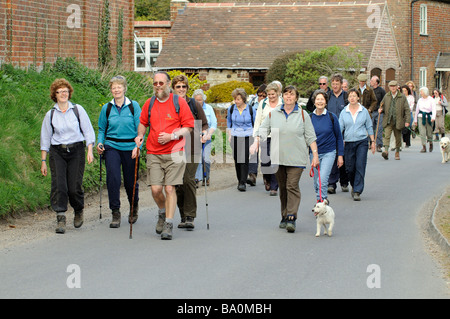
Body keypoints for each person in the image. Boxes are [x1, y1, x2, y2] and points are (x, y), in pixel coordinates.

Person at [135, 71, 194, 240]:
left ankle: (168, 223)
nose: (158, 86)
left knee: (170, 188)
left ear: (168, 84)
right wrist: (140, 135)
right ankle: (162, 211)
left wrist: (172, 136)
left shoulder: (179, 102)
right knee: (155, 189)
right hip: (154, 152)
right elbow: (142, 123)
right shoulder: (149, 103)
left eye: (161, 83)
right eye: (155, 83)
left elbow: (188, 127)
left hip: (175, 152)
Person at [255, 85, 319, 233]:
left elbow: (310, 137)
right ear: (282, 97)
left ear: (296, 98)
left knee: (292, 186)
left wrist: (315, 155)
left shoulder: (303, 115)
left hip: (297, 158)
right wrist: (256, 143)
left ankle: (291, 217)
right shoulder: (274, 114)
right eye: (286, 95)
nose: (288, 97)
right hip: (278, 157)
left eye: (292, 95)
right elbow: (263, 130)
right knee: (283, 188)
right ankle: (284, 215)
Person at [40, 78, 95, 234]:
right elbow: (45, 138)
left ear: (69, 93)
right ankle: (61, 216)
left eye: (65, 91)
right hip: (57, 151)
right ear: (55, 95)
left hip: (76, 150)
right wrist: (43, 161)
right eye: (59, 92)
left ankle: (78, 209)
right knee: (59, 185)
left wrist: (89, 150)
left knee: (74, 186)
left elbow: (88, 131)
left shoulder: (78, 110)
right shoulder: (50, 114)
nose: (63, 94)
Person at [97, 75, 141, 228]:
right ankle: (115, 212)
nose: (116, 90)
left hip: (130, 147)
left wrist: (138, 147)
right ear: (111, 90)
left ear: (124, 88)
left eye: (119, 87)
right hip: (112, 146)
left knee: (130, 182)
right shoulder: (107, 108)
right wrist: (100, 143)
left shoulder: (133, 106)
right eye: (113, 87)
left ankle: (133, 207)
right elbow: (102, 128)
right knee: (113, 179)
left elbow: (140, 130)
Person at [171, 75, 208, 230]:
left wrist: (204, 134)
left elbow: (204, 124)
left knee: (188, 180)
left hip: (192, 146)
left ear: (187, 88)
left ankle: (190, 215)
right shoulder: (170, 104)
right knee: (177, 183)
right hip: (174, 148)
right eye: (178, 86)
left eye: (184, 87)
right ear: (173, 88)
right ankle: (183, 215)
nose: (181, 89)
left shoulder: (193, 104)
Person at [339, 88, 375, 201]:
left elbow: (369, 126)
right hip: (348, 142)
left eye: (354, 96)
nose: (352, 98)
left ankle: (357, 190)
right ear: (348, 98)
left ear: (358, 97)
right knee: (349, 167)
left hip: (361, 141)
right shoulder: (344, 112)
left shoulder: (363, 111)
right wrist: (338, 142)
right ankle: (354, 184)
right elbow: (340, 128)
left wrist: (373, 141)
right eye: (350, 96)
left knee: (360, 164)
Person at [309, 90, 344, 204]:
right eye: (317, 99)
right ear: (314, 102)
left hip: (329, 152)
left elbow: (339, 137)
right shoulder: (309, 118)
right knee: (316, 181)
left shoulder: (331, 117)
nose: (320, 102)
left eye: (322, 99)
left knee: (322, 179)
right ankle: (319, 199)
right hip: (314, 154)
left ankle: (322, 200)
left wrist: (340, 156)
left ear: (326, 102)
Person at [249, 82, 283, 196]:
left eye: (273, 94)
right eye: (269, 94)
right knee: (265, 162)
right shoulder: (263, 103)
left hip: (278, 135)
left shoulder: (282, 103)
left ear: (278, 93)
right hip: (264, 134)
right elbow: (258, 121)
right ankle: (267, 178)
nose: (271, 96)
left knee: (275, 161)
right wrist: (256, 137)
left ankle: (274, 187)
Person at [227, 88, 256, 192]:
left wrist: (255, 137)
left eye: (238, 99)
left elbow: (255, 124)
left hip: (247, 135)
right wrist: (230, 135)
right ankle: (240, 179)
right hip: (235, 136)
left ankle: (242, 182)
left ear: (243, 99)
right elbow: (229, 122)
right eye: (235, 99)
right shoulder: (231, 109)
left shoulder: (251, 109)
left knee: (243, 158)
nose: (236, 101)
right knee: (237, 159)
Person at [326, 73, 349, 194]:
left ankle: (344, 181)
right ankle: (331, 183)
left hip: (344, 132)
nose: (335, 86)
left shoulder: (346, 97)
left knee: (343, 157)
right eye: (333, 84)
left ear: (341, 84)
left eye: (337, 84)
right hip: (330, 131)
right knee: (332, 157)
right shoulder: (328, 96)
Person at [378, 81, 411, 160]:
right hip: (388, 119)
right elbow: (382, 105)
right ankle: (386, 151)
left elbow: (407, 110)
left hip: (398, 120)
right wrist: (381, 109)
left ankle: (397, 152)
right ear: (389, 87)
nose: (393, 88)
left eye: (394, 86)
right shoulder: (386, 96)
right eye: (391, 86)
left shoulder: (402, 97)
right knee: (387, 136)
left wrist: (407, 121)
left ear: (397, 87)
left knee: (398, 137)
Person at [194, 89, 217, 188]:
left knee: (205, 158)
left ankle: (206, 177)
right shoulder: (192, 108)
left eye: (200, 100)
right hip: (195, 136)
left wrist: (208, 134)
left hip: (206, 136)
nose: (198, 102)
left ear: (203, 99)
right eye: (196, 100)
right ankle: (197, 179)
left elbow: (214, 123)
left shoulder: (209, 108)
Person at [246, 84, 267, 186]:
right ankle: (252, 175)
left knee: (265, 155)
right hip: (254, 131)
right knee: (253, 152)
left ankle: (266, 176)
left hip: (267, 132)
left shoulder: (268, 104)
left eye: (264, 96)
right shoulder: (252, 102)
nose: (261, 97)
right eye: (260, 95)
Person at [413, 87, 436, 153]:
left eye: (421, 92)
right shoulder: (420, 100)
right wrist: (415, 120)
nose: (420, 93)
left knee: (429, 132)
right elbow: (417, 110)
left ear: (425, 92)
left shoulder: (431, 100)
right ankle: (424, 146)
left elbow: (434, 109)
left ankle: (430, 143)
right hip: (421, 116)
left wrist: (433, 117)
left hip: (429, 117)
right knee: (422, 132)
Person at [370, 75, 386, 152]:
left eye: (372, 81)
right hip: (372, 112)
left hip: (379, 112)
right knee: (371, 128)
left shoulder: (381, 91)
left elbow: (385, 101)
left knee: (379, 129)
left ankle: (379, 145)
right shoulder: (370, 90)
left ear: (376, 82)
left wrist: (382, 108)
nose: (370, 82)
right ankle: (371, 143)